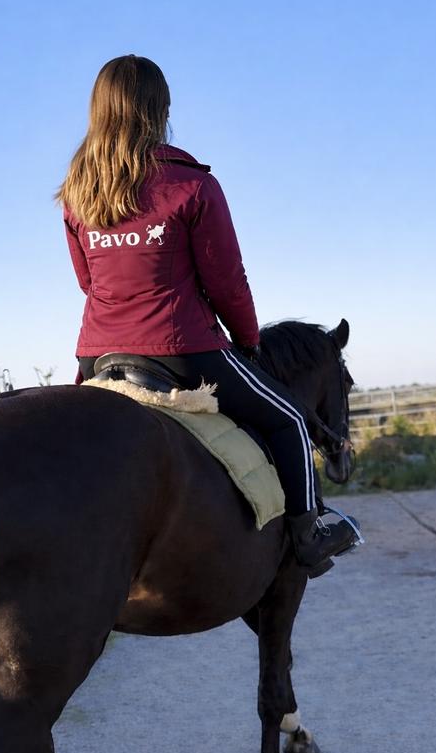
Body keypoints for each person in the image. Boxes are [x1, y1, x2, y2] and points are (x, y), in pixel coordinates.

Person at [57, 54, 358, 569]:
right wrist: (247, 341)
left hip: (98, 353)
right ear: (160, 109)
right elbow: (227, 282)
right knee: (288, 418)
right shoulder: (190, 185)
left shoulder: (77, 194)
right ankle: (308, 537)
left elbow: (87, 281)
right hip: (182, 348)